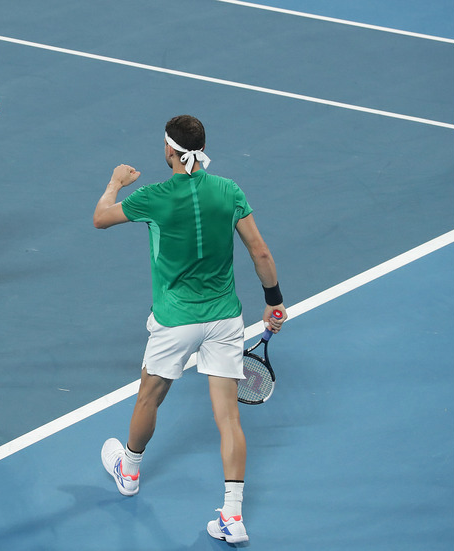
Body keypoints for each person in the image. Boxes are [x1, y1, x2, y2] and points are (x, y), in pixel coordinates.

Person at [92, 115, 286, 543]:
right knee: (228, 417)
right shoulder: (229, 190)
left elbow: (100, 219)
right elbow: (261, 251)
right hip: (224, 319)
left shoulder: (154, 196)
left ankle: (130, 470)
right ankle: (232, 516)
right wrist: (273, 301)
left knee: (149, 397)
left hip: (175, 322)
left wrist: (115, 181)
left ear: (169, 150)